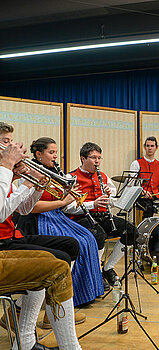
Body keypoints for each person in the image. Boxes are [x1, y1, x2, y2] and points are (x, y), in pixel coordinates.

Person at [0, 133, 82, 350]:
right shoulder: (3, 173)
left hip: (12, 236)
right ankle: (29, 338)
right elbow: (1, 212)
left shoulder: (5, 175)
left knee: (71, 246)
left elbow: (23, 209)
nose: (12, 147)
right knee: (57, 263)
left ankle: (28, 336)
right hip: (3, 242)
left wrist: (36, 187)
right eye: (6, 142)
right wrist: (21, 180)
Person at [16, 137, 104, 308]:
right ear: (39, 155)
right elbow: (32, 208)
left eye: (56, 152)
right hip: (38, 220)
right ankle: (64, 300)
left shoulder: (55, 172)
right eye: (51, 152)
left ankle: (84, 294)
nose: (55, 156)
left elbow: (63, 204)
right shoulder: (29, 173)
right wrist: (63, 201)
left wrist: (68, 195)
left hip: (57, 216)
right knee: (78, 242)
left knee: (89, 238)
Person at [64, 142, 139, 288]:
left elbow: (114, 201)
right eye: (93, 158)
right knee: (99, 235)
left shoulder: (103, 176)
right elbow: (68, 208)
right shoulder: (71, 177)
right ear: (83, 158)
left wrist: (110, 197)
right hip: (81, 218)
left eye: (99, 158)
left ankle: (108, 268)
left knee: (132, 231)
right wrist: (94, 204)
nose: (97, 161)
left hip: (102, 216)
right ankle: (96, 272)